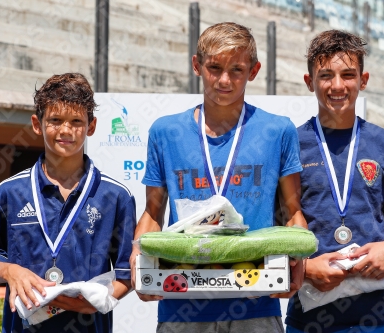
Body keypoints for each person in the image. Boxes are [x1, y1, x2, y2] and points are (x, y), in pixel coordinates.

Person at [131, 22, 306, 333]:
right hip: (181, 306)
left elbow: (293, 212)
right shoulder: (165, 132)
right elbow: (152, 212)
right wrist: (136, 257)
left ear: (253, 71)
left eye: (237, 69)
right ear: (197, 65)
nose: (224, 80)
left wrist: (300, 259)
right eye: (214, 67)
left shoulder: (277, 131)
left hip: (255, 303)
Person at [0, 73, 136, 332]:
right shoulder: (10, 191)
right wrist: (9, 271)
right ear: (37, 124)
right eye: (55, 120)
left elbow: (127, 273)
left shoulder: (115, 196)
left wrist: (101, 300)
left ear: (91, 127)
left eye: (76, 121)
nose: (66, 130)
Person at [285, 30, 384, 333]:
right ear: (309, 82)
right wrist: (305, 269)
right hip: (311, 319)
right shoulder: (289, 145)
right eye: (325, 75)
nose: (337, 85)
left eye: (348, 75)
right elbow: (273, 228)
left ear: (363, 79)